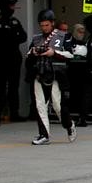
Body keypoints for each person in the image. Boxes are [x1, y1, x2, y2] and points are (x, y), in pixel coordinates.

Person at [27, 9, 75, 145]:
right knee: (40, 105)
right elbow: (28, 54)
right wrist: (34, 52)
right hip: (39, 74)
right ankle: (44, 134)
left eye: (46, 25)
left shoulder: (63, 36)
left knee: (58, 106)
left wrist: (54, 53)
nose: (44, 28)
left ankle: (69, 125)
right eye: (42, 25)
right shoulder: (36, 38)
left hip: (56, 75)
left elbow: (70, 55)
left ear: (52, 23)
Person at [0, 0, 27, 121]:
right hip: (2, 57)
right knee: (0, 85)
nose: (13, 8)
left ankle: (14, 113)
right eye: (11, 5)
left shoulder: (15, 21)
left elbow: (23, 36)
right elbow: (1, 38)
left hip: (14, 56)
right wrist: (12, 36)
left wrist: (11, 36)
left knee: (14, 86)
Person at [64, 22, 91, 126]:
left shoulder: (85, 44)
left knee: (81, 95)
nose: (81, 33)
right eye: (79, 31)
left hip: (81, 73)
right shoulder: (68, 41)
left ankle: (81, 117)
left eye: (83, 32)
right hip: (69, 72)